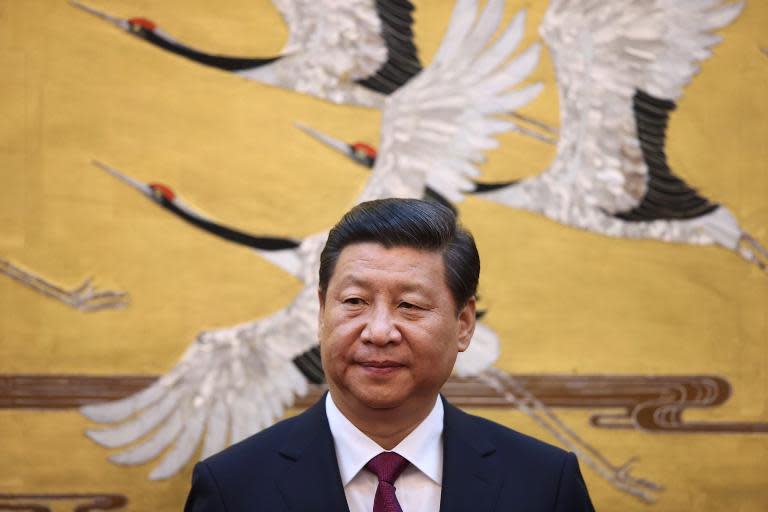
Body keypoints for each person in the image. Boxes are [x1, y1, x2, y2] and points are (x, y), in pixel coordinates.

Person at [184, 198, 595, 512]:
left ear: (464, 323)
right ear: (322, 311)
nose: (379, 332)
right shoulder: (232, 488)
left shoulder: (544, 484)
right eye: (355, 301)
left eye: (410, 306)